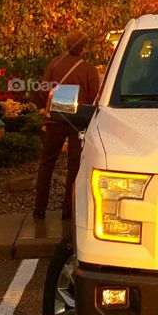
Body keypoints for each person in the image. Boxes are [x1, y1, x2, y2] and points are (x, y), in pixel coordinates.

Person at [33, 30, 100, 222]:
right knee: (74, 165)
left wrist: (55, 103)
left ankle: (39, 209)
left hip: (55, 119)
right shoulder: (88, 69)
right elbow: (95, 96)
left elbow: (44, 90)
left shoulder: (54, 63)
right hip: (77, 121)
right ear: (84, 47)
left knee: (47, 163)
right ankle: (68, 211)